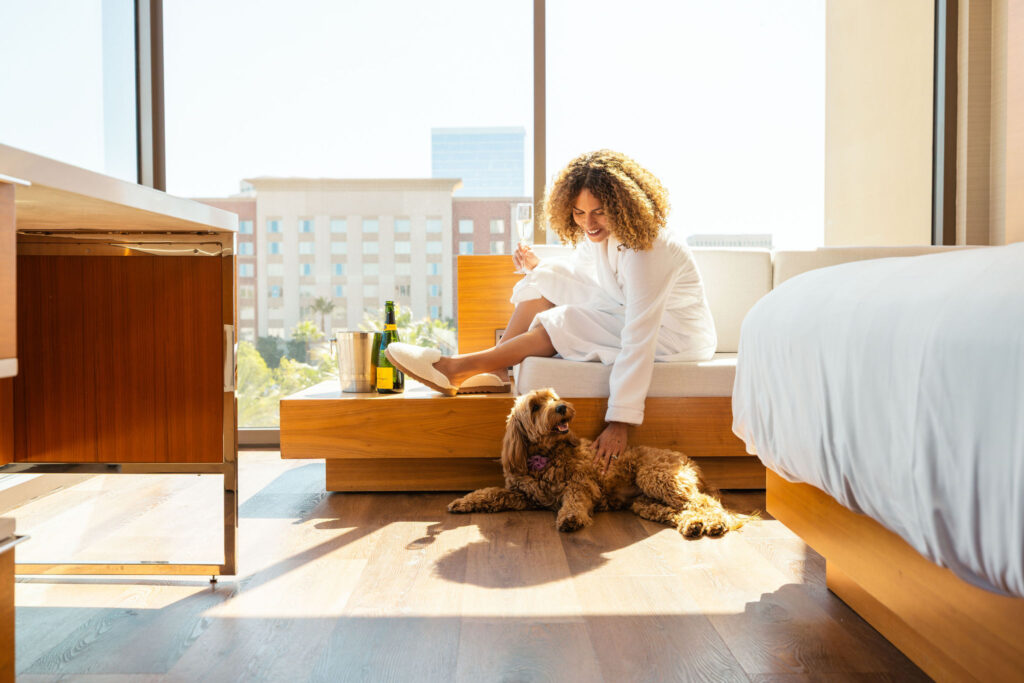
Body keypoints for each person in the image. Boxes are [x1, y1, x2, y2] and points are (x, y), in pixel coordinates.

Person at [386, 149, 717, 473]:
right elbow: (583, 273)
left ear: (622, 204)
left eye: (599, 212)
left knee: (565, 322)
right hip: (625, 308)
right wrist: (540, 269)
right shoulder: (605, 235)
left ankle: (457, 368)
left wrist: (620, 421)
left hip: (674, 334)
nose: (589, 223)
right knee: (543, 281)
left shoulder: (649, 247)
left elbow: (640, 336)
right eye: (578, 213)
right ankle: (499, 373)